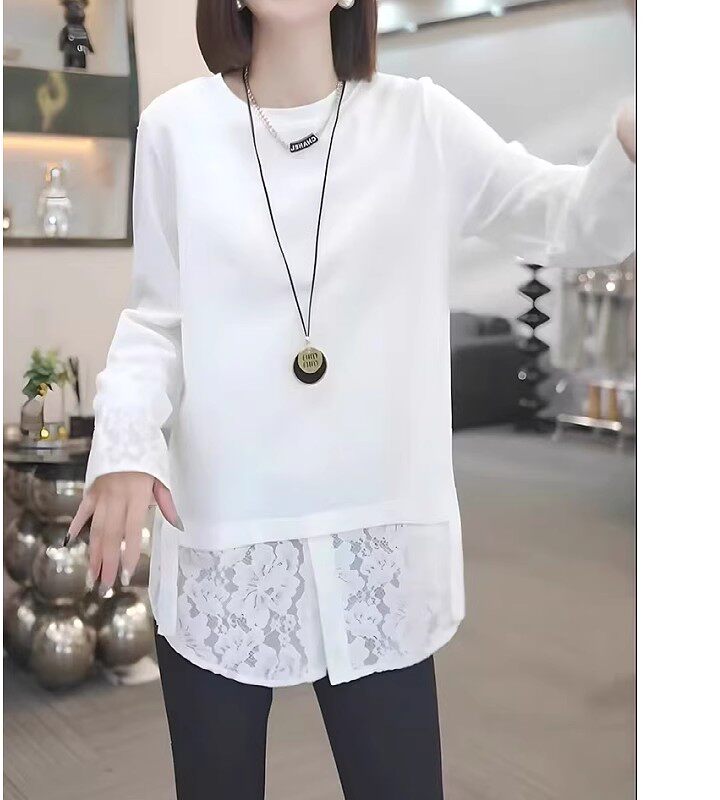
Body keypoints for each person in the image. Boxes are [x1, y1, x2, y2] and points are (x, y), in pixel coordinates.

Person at [67, 1, 636, 797]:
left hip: (376, 542)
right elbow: (157, 321)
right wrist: (126, 445)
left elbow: (572, 222)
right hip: (226, 534)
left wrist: (635, 136)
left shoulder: (419, 122)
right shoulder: (176, 129)